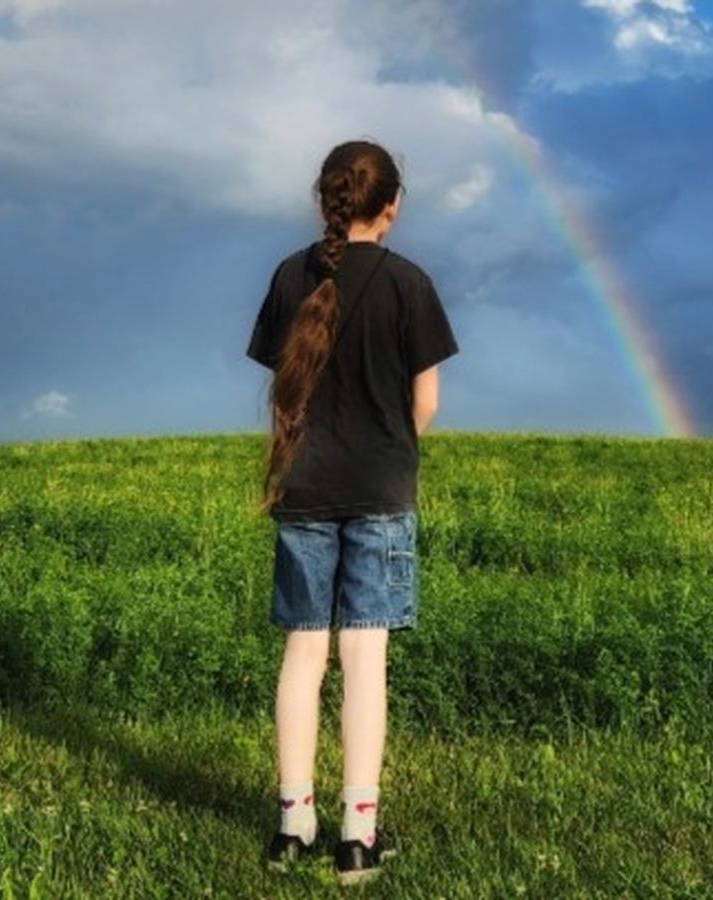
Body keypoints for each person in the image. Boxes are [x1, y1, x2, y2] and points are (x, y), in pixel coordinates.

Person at [244, 138, 459, 886]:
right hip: (381, 491)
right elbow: (425, 404)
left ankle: (292, 826)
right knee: (367, 659)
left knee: (303, 655)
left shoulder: (288, 276)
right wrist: (389, 450)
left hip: (303, 489)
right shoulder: (410, 283)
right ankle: (357, 836)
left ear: (324, 200)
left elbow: (283, 393)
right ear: (391, 207)